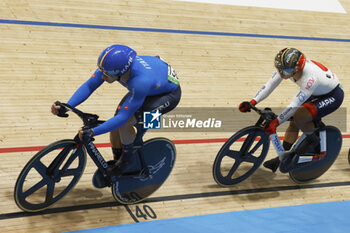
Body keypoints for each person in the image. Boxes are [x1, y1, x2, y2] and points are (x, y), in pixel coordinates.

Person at [51, 44, 181, 187]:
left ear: (121, 71)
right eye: (102, 71)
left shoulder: (139, 82)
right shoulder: (111, 67)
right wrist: (67, 106)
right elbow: (90, 86)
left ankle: (127, 159)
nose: (103, 75)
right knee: (116, 120)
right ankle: (119, 157)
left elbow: (123, 118)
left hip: (167, 96)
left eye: (107, 74)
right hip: (153, 84)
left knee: (125, 122)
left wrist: (93, 132)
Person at [239, 48, 343, 173]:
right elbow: (269, 85)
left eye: (286, 71)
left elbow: (294, 104)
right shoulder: (286, 67)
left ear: (297, 69)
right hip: (316, 92)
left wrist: (276, 123)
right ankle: (281, 158)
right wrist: (253, 102)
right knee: (293, 123)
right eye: (280, 70)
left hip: (333, 95)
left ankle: (313, 142)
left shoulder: (310, 78)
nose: (282, 74)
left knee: (299, 116)